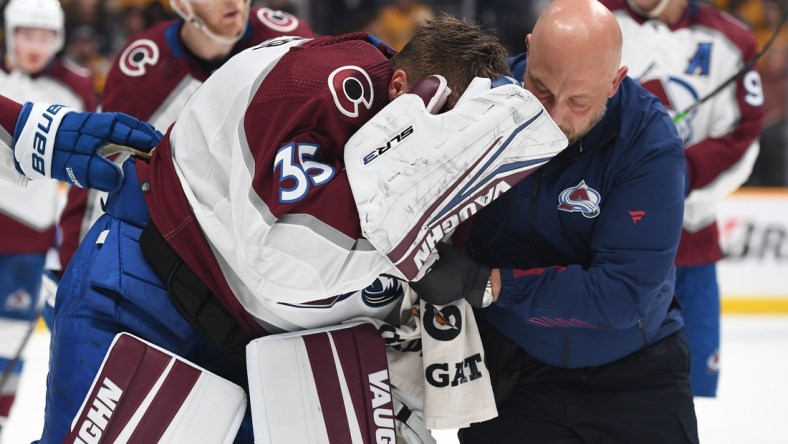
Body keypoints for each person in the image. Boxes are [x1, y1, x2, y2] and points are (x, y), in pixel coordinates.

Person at [41, 16, 515, 443]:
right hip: (148, 292)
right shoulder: (317, 88)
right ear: (401, 89)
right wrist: (411, 254)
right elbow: (283, 262)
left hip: (248, 341)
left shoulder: (392, 113)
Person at [418, 0, 699, 442]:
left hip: (636, 373)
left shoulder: (649, 143)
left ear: (615, 82)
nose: (554, 116)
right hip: (512, 373)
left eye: (578, 101)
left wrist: (488, 284)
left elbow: (624, 295)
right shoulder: (476, 103)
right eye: (542, 89)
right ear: (527, 52)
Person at [57, 0, 314, 274]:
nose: (233, 2)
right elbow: (98, 168)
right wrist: (71, 269)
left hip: (283, 246)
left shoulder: (288, 41)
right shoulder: (146, 71)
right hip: (185, 252)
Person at [602, 0, 765, 398]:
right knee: (606, 392)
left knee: (690, 393)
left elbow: (742, 137)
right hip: (605, 247)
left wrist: (672, 180)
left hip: (691, 245)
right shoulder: (594, 21)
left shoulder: (733, 40)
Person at [0, 0, 96, 429]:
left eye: (45, 37)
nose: (35, 46)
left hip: (31, 241)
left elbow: (88, 172)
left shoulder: (74, 88)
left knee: (8, 340)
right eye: (25, 34)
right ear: (8, 32)